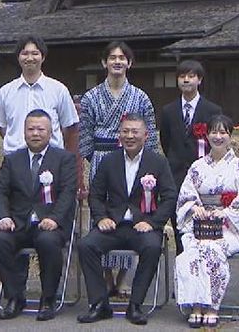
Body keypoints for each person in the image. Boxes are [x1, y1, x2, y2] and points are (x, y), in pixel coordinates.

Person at [76, 114, 177, 325]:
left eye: (135, 132)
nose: (129, 136)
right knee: (86, 245)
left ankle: (136, 304)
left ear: (145, 135)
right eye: (125, 131)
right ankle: (99, 303)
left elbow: (169, 197)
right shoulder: (108, 161)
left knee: (151, 248)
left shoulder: (157, 162)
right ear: (119, 135)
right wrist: (101, 217)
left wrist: (152, 222)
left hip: (144, 225)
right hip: (113, 224)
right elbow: (95, 195)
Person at [78, 41, 159, 294]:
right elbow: (85, 135)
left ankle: (123, 276)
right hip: (102, 159)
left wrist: (149, 164)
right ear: (104, 63)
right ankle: (105, 275)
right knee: (102, 218)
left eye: (122, 58)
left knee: (131, 214)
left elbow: (151, 134)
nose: (117, 62)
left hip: (134, 161)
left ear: (129, 63)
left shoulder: (140, 97)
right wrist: (94, 161)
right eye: (112, 57)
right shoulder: (91, 97)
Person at [0, 109, 78, 321]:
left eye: (41, 129)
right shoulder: (13, 160)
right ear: (24, 132)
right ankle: (14, 296)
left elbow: (68, 193)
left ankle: (48, 298)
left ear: (50, 132)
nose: (35, 133)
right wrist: (3, 217)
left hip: (50, 225)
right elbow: (0, 191)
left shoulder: (64, 159)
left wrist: (54, 218)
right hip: (18, 224)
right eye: (31, 129)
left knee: (48, 242)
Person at [174, 114, 239, 328]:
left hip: (231, 228)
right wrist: (195, 208)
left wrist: (227, 212)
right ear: (207, 135)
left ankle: (211, 305)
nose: (218, 136)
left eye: (223, 132)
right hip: (202, 226)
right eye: (214, 132)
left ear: (230, 136)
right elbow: (186, 196)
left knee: (211, 249)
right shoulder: (197, 167)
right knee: (191, 249)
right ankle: (195, 304)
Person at [159, 59, 223, 256]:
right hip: (176, 175)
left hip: (204, 176)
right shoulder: (168, 111)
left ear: (199, 80)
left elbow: (218, 141)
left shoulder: (212, 110)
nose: (186, 80)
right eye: (182, 76)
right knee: (180, 226)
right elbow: (166, 141)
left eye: (191, 76)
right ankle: (183, 278)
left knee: (205, 228)